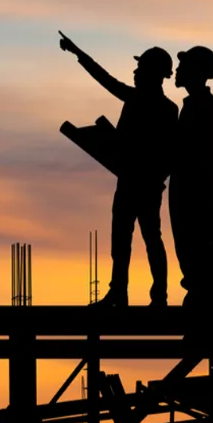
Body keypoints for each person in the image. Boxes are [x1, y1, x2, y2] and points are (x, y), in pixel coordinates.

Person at [59, 32, 178, 306]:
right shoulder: (138, 99)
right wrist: (78, 53)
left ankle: (158, 295)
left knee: (151, 239)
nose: (135, 72)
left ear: (154, 74)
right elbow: (105, 79)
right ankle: (120, 292)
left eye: (140, 68)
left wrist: (154, 176)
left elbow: (170, 152)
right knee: (121, 239)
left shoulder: (165, 109)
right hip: (128, 181)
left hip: (145, 185)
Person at [169, 47, 213, 307]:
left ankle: (200, 299)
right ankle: (198, 294)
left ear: (196, 71)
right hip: (188, 187)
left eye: (184, 65)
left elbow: (192, 151)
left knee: (193, 247)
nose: (178, 70)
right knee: (187, 248)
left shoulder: (204, 106)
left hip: (194, 192)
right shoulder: (195, 104)